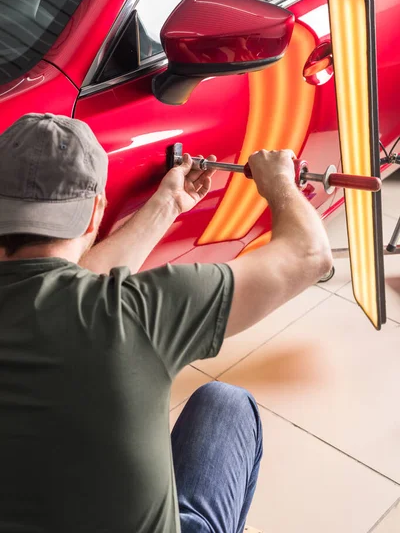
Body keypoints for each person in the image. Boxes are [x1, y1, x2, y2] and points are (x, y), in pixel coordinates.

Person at [0, 114, 332, 533]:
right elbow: (309, 255)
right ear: (94, 213)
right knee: (226, 404)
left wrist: (168, 205)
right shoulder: (136, 315)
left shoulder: (106, 309)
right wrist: (280, 182)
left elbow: (65, 283)